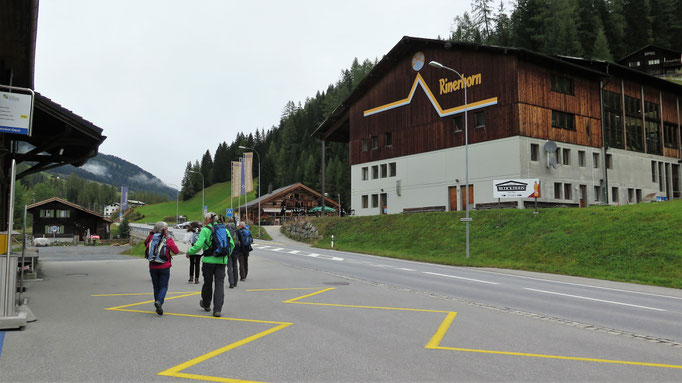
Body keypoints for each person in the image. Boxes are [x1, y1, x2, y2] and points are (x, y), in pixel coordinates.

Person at [188, 212, 226, 317]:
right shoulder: (224, 230)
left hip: (208, 262)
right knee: (219, 285)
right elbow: (230, 245)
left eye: (205, 219)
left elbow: (198, 245)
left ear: (209, 220)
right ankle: (217, 310)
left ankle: (206, 304)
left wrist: (190, 252)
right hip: (221, 262)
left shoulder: (205, 230)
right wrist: (225, 257)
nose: (205, 221)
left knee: (207, 283)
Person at [144, 221, 179, 316]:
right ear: (164, 230)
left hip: (152, 266)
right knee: (163, 286)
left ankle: (157, 304)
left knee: (156, 286)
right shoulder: (168, 239)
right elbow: (176, 251)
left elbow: (146, 245)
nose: (168, 230)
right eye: (167, 228)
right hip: (164, 266)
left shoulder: (152, 238)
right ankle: (159, 302)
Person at [225, 221, 240, 288]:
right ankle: (235, 282)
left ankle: (231, 283)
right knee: (235, 266)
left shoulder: (226, 232)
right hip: (236, 251)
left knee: (229, 267)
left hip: (229, 251)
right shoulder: (236, 231)